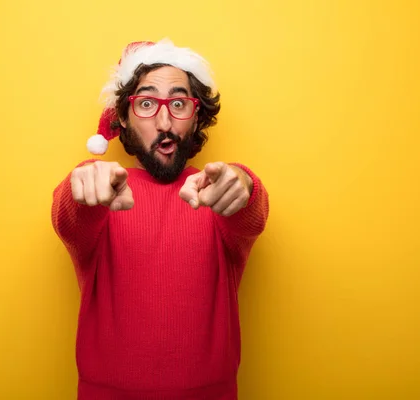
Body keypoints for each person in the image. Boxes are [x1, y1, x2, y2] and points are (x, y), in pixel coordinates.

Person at [51, 38, 269, 399]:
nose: (165, 121)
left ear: (196, 115)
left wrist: (243, 182)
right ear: (122, 117)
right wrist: (84, 180)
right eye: (147, 103)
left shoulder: (213, 191)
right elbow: (68, 217)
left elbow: (251, 213)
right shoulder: (103, 192)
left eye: (179, 103)